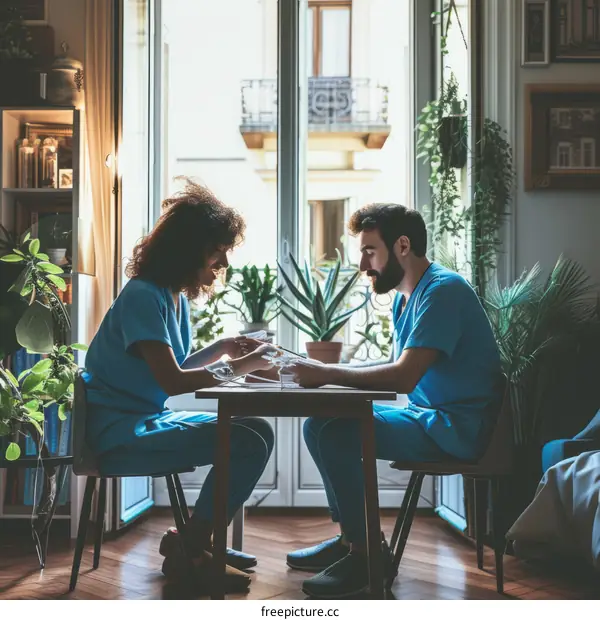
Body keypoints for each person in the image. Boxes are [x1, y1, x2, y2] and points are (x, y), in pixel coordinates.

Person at [285, 203, 504, 599]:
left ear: (402, 245)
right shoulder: (408, 296)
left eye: (370, 250)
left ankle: (366, 554)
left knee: (336, 434)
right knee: (318, 423)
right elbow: (399, 365)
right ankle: (353, 537)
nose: (362, 263)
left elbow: (403, 377)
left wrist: (329, 373)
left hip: (456, 429)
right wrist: (326, 373)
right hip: (426, 418)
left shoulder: (443, 291)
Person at [82, 180, 280, 592]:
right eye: (217, 250)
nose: (222, 261)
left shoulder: (170, 296)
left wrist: (222, 348)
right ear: (190, 249)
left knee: (257, 430)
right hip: (120, 433)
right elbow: (172, 381)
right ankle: (193, 549)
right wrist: (244, 364)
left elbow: (173, 367)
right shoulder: (143, 296)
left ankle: (194, 542)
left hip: (145, 418)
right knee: (248, 439)